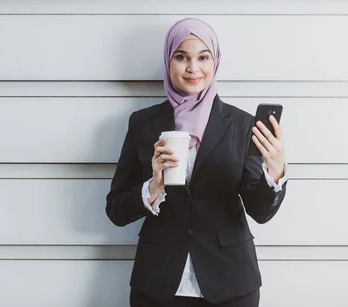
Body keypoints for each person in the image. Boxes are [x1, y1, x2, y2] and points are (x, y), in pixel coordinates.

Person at [105, 18, 288, 307]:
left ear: (215, 62)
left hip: (230, 283)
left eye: (204, 57)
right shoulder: (143, 123)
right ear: (168, 61)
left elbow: (260, 212)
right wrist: (153, 186)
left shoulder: (242, 125)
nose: (193, 68)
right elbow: (116, 210)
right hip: (158, 284)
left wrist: (275, 172)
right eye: (181, 57)